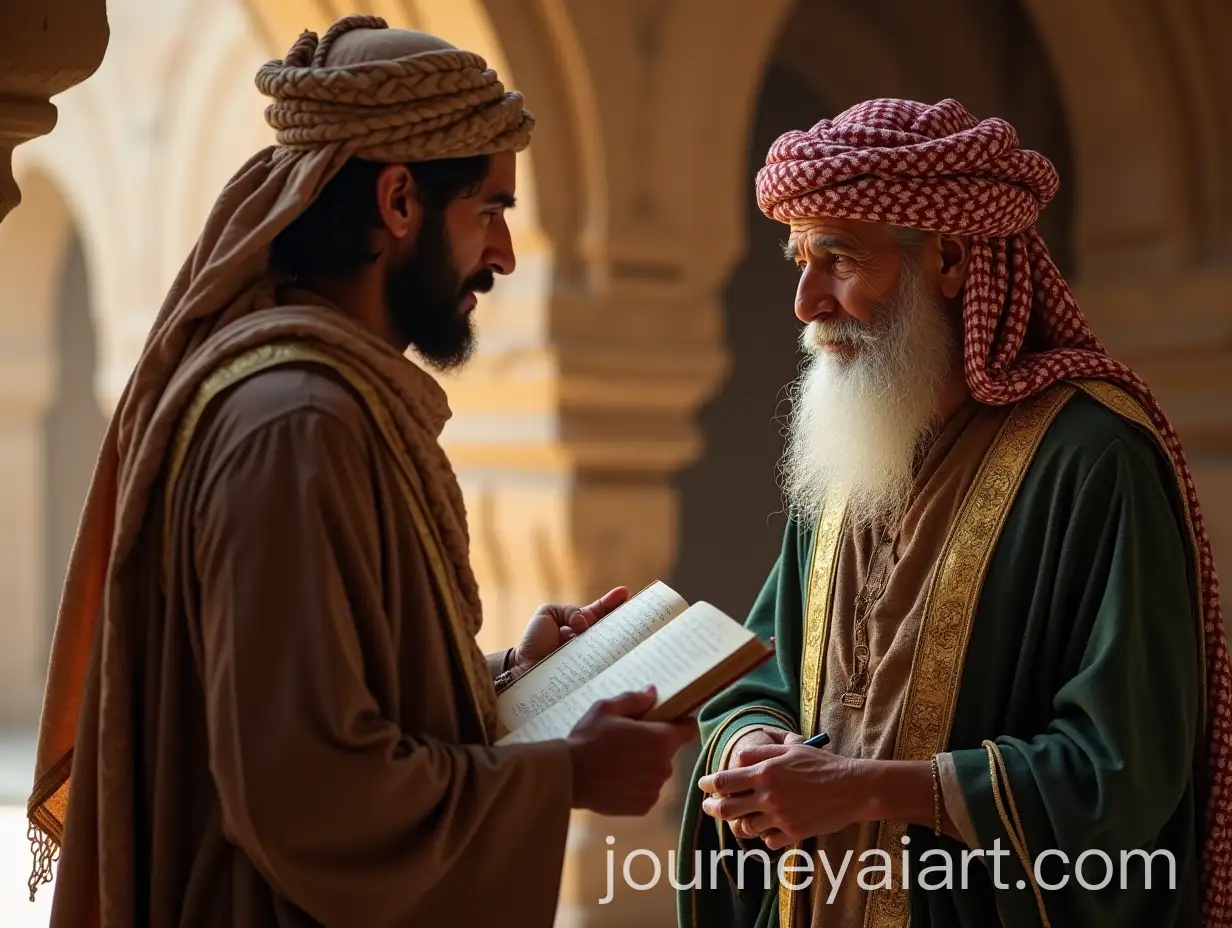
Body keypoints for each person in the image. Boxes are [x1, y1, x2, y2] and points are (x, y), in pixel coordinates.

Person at [25, 15, 696, 928]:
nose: (501, 255)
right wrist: (567, 774)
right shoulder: (295, 424)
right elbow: (306, 790)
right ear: (397, 202)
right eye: (491, 209)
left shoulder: (325, 401)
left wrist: (509, 681)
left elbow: (336, 699)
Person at [676, 98, 1230, 928]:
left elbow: (1123, 767)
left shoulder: (1090, 458)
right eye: (799, 260)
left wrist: (863, 789)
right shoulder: (853, 457)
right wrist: (751, 748)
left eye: (838, 260)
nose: (805, 301)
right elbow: (764, 673)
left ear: (952, 258)